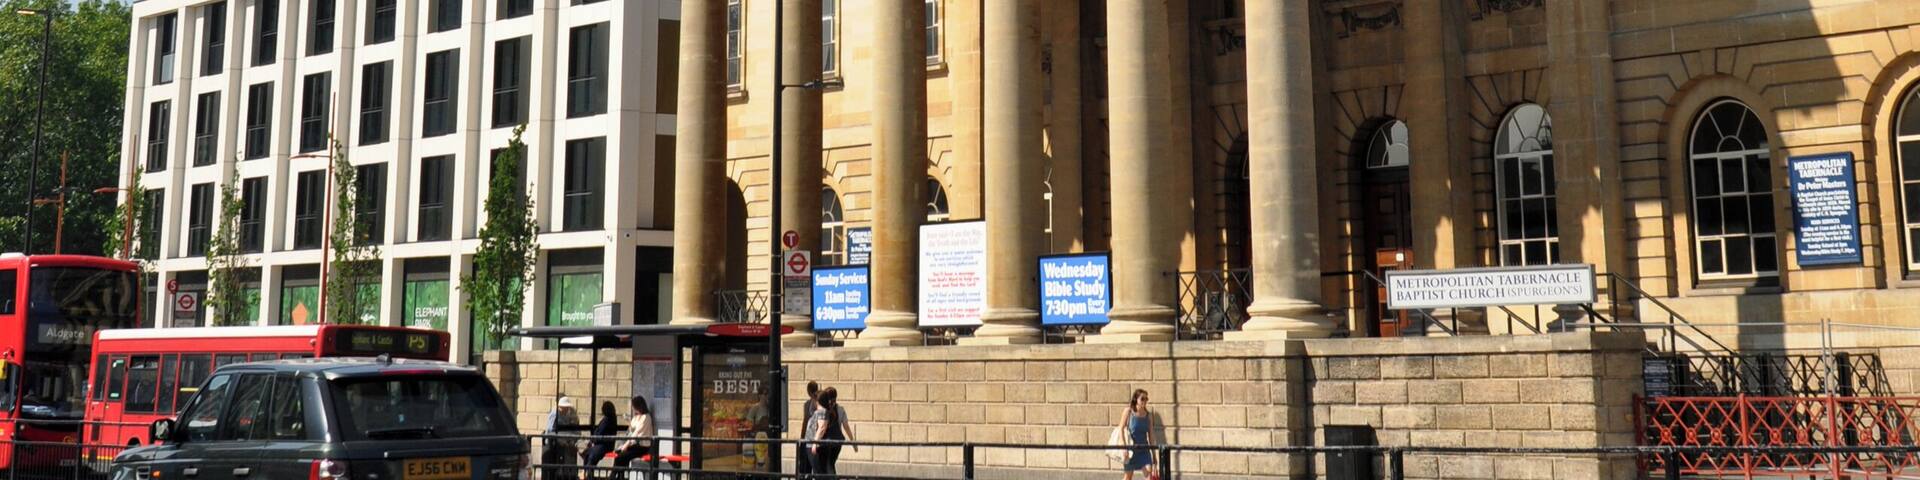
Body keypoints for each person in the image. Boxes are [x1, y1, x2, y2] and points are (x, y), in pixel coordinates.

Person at [807, 387, 857, 476]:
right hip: (837, 442)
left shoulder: (823, 410)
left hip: (825, 442)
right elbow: (846, 427)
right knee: (829, 465)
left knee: (826, 467)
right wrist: (853, 442)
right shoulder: (840, 409)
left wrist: (815, 442)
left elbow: (821, 427)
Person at [610, 396, 655, 471]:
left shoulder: (646, 417)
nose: (632, 408)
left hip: (641, 447)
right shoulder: (636, 417)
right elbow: (631, 430)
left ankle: (614, 476)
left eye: (634, 406)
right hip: (633, 445)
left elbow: (636, 433)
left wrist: (626, 445)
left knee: (621, 457)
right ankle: (618, 475)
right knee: (618, 454)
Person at [1119, 389, 1156, 480]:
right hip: (1131, 450)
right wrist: (1124, 447)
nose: (1145, 401)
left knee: (1149, 474)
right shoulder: (1128, 411)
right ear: (1136, 399)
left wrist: (1154, 454)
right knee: (1128, 476)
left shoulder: (1148, 416)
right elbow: (1121, 429)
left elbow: (1151, 435)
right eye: (1142, 398)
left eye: (1146, 399)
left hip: (1144, 449)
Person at [580, 401, 621, 478]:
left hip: (604, 445)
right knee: (589, 455)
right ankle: (587, 474)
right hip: (603, 444)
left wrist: (593, 441)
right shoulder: (610, 418)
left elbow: (600, 432)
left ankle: (587, 475)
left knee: (591, 456)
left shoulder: (608, 420)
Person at [543, 397, 580, 479]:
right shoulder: (554, 414)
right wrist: (561, 440)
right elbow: (550, 430)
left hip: (565, 440)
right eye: (565, 408)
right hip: (554, 442)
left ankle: (569, 474)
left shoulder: (567, 415)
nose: (567, 410)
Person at [797, 382, 820, 475]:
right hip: (810, 437)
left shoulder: (818, 403)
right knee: (806, 466)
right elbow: (805, 421)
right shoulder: (808, 404)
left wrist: (802, 437)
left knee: (813, 466)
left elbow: (805, 421)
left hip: (813, 438)